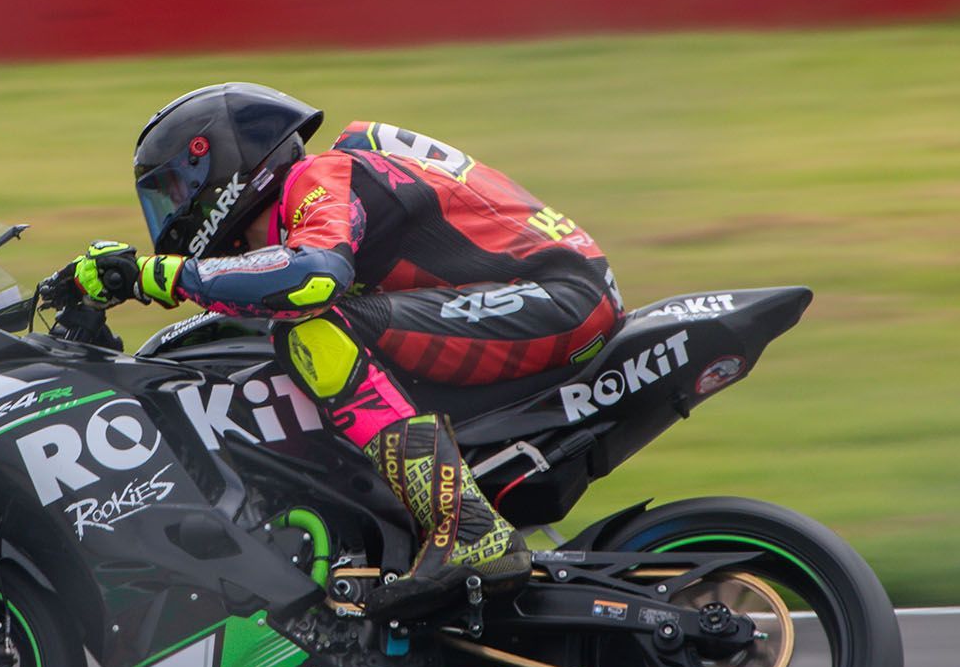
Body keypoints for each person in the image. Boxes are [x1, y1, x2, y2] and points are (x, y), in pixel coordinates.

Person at [68, 83, 622, 622]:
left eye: (175, 191)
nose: (171, 213)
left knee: (312, 331)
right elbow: (258, 288)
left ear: (218, 164)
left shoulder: (318, 177)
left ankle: (468, 527)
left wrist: (159, 274)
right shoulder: (296, 213)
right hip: (529, 298)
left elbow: (314, 277)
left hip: (560, 298)